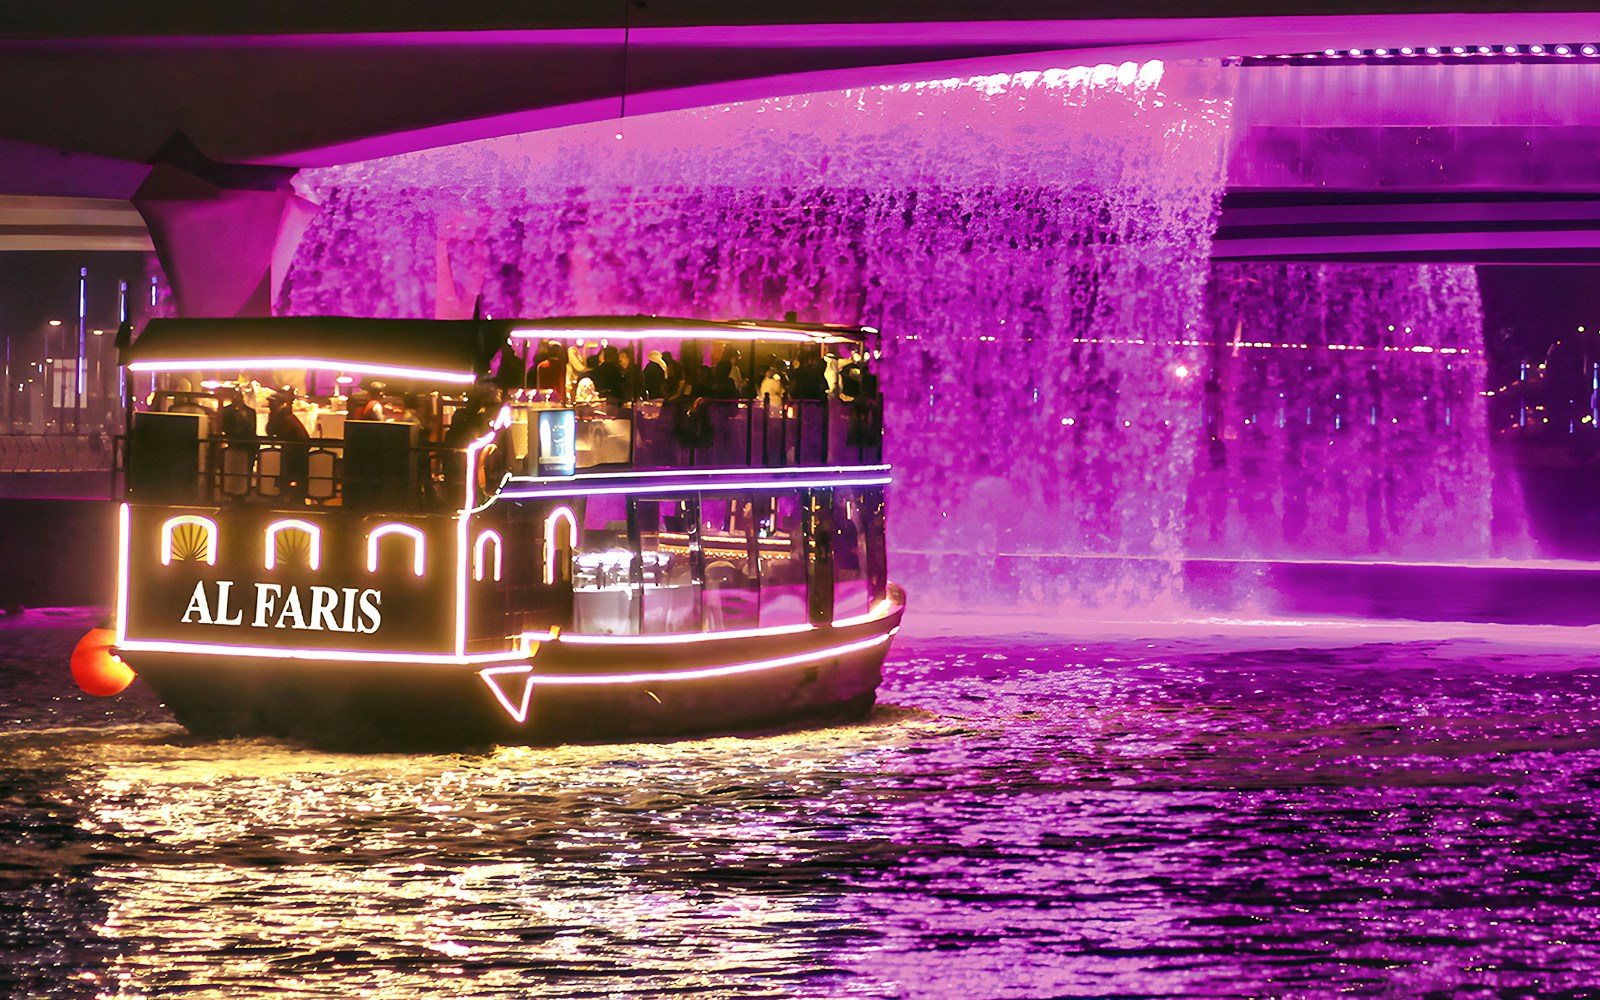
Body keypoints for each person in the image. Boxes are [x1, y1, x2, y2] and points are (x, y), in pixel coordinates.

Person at [265, 387, 310, 502]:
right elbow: (270, 431)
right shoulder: (276, 415)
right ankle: (288, 493)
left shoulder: (284, 415)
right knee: (288, 470)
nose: (270, 405)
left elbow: (280, 431)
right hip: (291, 448)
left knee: (293, 472)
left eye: (272, 403)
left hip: (296, 449)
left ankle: (293, 495)